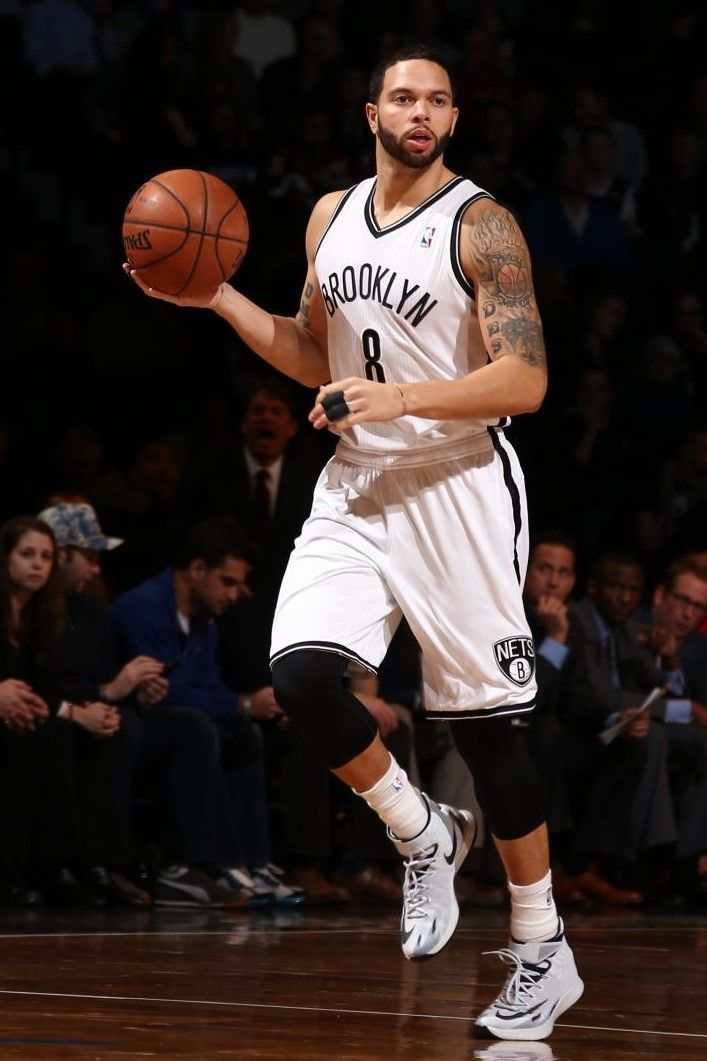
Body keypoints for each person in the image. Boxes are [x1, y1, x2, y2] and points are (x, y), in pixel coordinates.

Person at [124, 45, 583, 1041]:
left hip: (458, 481)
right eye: (403, 97)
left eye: (437, 100)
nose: (419, 111)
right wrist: (215, 297)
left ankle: (543, 950)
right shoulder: (328, 215)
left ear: (452, 120)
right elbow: (308, 347)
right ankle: (422, 832)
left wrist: (401, 395)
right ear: (370, 110)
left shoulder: (482, 223)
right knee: (298, 679)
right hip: (356, 480)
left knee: (485, 728)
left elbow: (526, 379)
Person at [36, 501, 248, 910]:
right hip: (60, 713)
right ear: (63, 554)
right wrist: (104, 696)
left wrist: (133, 690)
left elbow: (102, 674)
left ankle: (189, 865)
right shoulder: (38, 613)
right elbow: (45, 679)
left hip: (103, 706)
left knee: (186, 727)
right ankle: (102, 865)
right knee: (120, 729)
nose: (96, 569)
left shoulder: (90, 609)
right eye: (89, 557)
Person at [109, 517, 305, 908]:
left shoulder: (204, 621)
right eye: (227, 582)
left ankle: (252, 860)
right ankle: (204, 862)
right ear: (197, 569)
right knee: (196, 725)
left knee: (243, 731)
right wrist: (244, 703)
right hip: (127, 727)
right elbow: (166, 695)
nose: (236, 594)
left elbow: (208, 686)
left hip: (175, 724)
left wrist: (252, 707)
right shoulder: (144, 608)